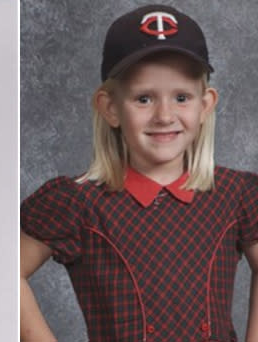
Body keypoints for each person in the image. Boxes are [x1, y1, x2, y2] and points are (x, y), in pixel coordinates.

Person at [21, 4, 258, 342]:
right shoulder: (78, 203)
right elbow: (7, 271)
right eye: (144, 99)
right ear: (110, 108)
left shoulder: (237, 194)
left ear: (205, 104)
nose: (164, 115)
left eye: (181, 97)